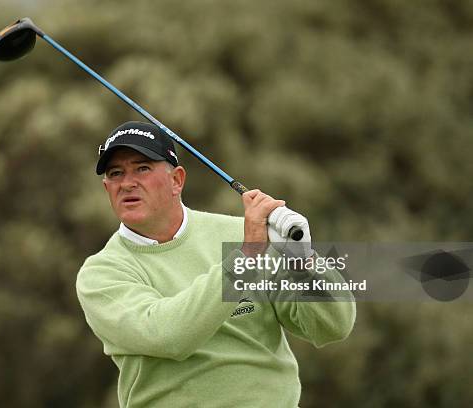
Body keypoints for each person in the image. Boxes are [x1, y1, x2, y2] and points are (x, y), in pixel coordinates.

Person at [76, 121, 356, 408]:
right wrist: (246, 258)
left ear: (177, 180)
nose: (127, 182)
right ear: (106, 187)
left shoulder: (242, 236)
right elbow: (169, 336)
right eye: (115, 173)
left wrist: (303, 260)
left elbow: (332, 327)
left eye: (142, 168)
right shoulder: (101, 274)